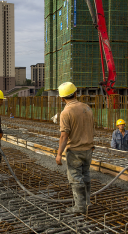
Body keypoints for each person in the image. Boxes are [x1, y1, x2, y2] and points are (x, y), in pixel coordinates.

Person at [55, 82, 94, 214]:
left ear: (62, 98)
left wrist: (59, 154)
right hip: (88, 149)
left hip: (75, 150)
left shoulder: (66, 112)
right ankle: (87, 202)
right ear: (76, 93)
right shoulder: (87, 108)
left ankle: (80, 206)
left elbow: (64, 136)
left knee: (75, 177)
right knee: (86, 175)